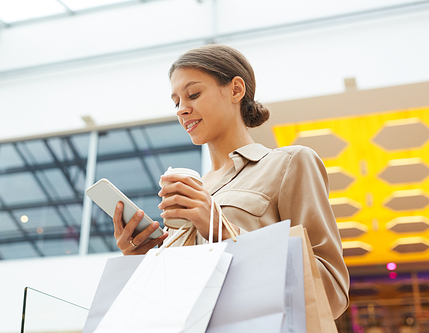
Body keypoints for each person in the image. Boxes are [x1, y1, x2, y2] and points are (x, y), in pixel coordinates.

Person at [112, 44, 350, 318]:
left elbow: (331, 292)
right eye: (176, 102)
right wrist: (138, 259)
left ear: (236, 90)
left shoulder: (288, 164)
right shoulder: (194, 194)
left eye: (193, 94)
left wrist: (227, 234)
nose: (182, 110)